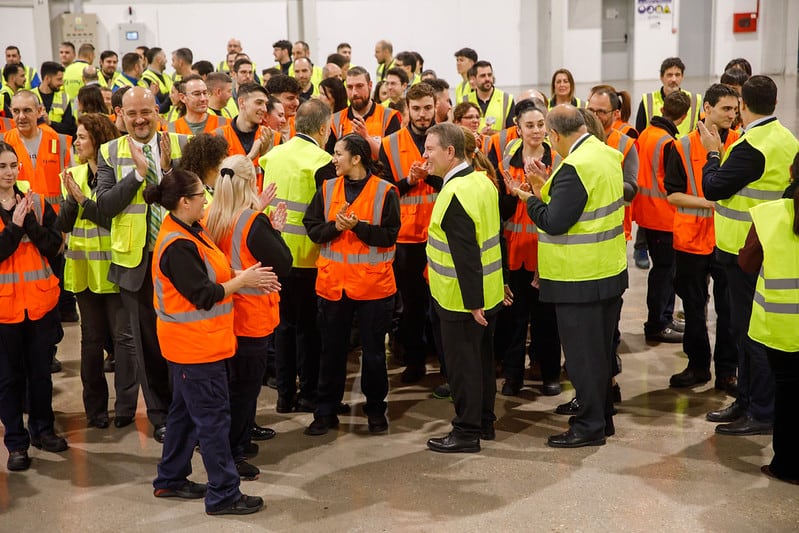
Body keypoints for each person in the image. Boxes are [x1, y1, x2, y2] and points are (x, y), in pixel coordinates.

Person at [147, 168, 273, 515]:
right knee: (214, 421)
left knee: (185, 414)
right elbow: (203, 294)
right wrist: (242, 281)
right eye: (201, 195)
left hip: (196, 344)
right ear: (184, 202)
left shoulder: (191, 229)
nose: (206, 200)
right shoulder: (178, 245)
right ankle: (224, 494)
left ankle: (170, 477)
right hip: (195, 348)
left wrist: (241, 276)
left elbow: (212, 271)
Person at [512, 105, 627, 448]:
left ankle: (589, 426)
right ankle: (602, 418)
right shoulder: (605, 154)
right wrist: (545, 187)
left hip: (579, 277)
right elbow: (582, 205)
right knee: (600, 354)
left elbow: (554, 221)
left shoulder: (575, 167)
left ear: (555, 134)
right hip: (607, 270)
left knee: (582, 359)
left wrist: (530, 198)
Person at [701, 75, 799, 436]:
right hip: (769, 248)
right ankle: (746, 402)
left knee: (750, 334)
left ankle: (759, 411)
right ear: (775, 102)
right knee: (748, 331)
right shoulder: (786, 138)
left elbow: (713, 187)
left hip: (744, 252)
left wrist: (712, 153)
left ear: (743, 105)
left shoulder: (752, 146)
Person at [96, 86, 191, 443]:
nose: (139, 120)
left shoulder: (180, 145)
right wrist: (137, 175)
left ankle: (188, 409)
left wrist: (167, 170)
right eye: (132, 113)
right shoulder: (109, 152)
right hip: (136, 263)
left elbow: (197, 196)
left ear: (157, 113)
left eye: (146, 112)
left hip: (178, 257)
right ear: (120, 114)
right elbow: (105, 206)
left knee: (184, 338)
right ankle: (161, 415)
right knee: (148, 345)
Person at [303, 134, 401, 436]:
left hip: (373, 288)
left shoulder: (385, 191)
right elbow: (312, 229)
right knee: (331, 352)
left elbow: (389, 236)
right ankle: (325, 411)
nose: (333, 159)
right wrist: (336, 227)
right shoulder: (327, 188)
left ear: (356, 158)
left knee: (374, 355)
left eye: (338, 153)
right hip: (334, 285)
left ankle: (376, 411)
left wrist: (358, 228)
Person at [206, 154, 292, 480]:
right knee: (244, 391)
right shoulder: (252, 221)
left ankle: (235, 441)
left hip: (222, 316)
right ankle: (234, 452)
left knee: (230, 388)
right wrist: (276, 231)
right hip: (251, 319)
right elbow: (283, 262)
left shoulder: (211, 215)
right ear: (250, 182)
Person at [424, 122, 504, 453]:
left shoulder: (455, 194)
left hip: (461, 301)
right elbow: (495, 238)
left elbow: (466, 254)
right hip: (489, 292)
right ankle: (484, 422)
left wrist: (473, 302)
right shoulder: (483, 182)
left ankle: (466, 432)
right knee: (482, 363)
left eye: (430, 149)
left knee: (463, 368)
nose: (425, 155)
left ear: (450, 152)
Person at [55, 113, 139, 429]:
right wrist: (71, 199)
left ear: (98, 140)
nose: (76, 142)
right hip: (85, 272)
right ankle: (95, 410)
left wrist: (82, 199)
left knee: (124, 341)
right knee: (90, 342)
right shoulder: (73, 174)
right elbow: (63, 224)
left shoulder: (118, 175)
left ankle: (126, 408)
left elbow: (112, 219)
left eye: (81, 137)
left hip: (116, 271)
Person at [260, 99, 336, 414]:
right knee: (308, 330)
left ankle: (283, 395)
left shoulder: (273, 154)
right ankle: (308, 394)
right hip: (307, 257)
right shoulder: (323, 161)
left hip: (274, 254)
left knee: (283, 328)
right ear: (324, 128)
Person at [665, 84, 740, 392]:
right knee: (694, 308)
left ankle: (727, 371)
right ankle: (697, 367)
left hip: (727, 239)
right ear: (707, 108)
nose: (732, 115)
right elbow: (672, 195)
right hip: (692, 241)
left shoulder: (740, 143)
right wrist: (711, 202)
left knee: (729, 310)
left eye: (735, 109)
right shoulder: (682, 146)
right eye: (726, 108)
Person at [0, 141, 66, 472]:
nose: (9, 172)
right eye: (2, 166)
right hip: (4, 311)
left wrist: (30, 224)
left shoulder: (36, 203)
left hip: (40, 304)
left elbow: (55, 246)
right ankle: (16, 443)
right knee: (8, 379)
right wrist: (14, 227)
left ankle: (43, 429)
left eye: (13, 165)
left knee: (41, 374)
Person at [739, 153, 799, 485]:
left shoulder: (769, 214)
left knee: (787, 396)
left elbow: (747, 263)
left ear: (791, 172)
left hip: (780, 326)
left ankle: (787, 466)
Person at [495, 100, 561, 397]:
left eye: (540, 125)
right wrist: (512, 195)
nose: (536, 130)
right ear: (518, 129)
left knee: (547, 320)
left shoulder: (557, 161)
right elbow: (501, 211)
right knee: (513, 320)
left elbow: (560, 208)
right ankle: (513, 376)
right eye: (529, 125)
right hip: (514, 254)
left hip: (545, 252)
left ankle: (549, 374)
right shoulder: (507, 163)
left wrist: (539, 188)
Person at [379, 83, 440, 383]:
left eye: (427, 107)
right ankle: (415, 361)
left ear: (436, 107)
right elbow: (384, 192)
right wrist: (409, 181)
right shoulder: (389, 144)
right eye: (416, 108)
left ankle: (443, 359)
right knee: (413, 306)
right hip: (406, 238)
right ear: (407, 110)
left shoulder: (448, 138)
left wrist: (431, 178)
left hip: (441, 235)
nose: (422, 114)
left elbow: (458, 181)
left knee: (441, 304)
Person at [2, 90, 75, 331]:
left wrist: (65, 230)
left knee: (52, 288)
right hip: (15, 229)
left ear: (40, 111)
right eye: (16, 111)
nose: (21, 116)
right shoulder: (4, 142)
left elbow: (70, 187)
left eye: (27, 110)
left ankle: (50, 338)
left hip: (52, 230)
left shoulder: (59, 142)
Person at [632, 91, 690, 344]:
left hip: (648, 214)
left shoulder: (647, 133)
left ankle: (664, 318)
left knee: (662, 272)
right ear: (684, 117)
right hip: (663, 217)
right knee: (665, 274)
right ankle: (658, 324)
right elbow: (674, 182)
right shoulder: (668, 143)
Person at [326, 67, 401, 158]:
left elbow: (393, 158)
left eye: (359, 86)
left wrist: (366, 137)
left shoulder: (389, 117)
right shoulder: (335, 120)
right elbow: (329, 158)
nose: (354, 93)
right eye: (350, 87)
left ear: (370, 85)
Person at [635, 57, 702, 138]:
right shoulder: (648, 101)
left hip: (685, 146)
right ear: (661, 77)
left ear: (682, 77)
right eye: (669, 75)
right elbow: (639, 134)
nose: (674, 79)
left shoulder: (694, 101)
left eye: (677, 75)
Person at [461, 60, 515, 133]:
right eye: (482, 76)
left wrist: (494, 134)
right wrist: (480, 135)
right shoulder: (465, 101)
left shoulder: (506, 99)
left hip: (499, 141)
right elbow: (462, 131)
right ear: (474, 79)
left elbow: (512, 131)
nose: (487, 79)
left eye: (489, 75)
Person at [32, 62, 76, 137]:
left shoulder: (64, 98)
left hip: (57, 141)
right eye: (59, 79)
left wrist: (50, 123)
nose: (62, 83)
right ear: (47, 79)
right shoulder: (30, 96)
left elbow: (69, 128)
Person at [179, 133, 229, 197]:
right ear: (208, 164)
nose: (226, 163)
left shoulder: (224, 187)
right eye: (221, 160)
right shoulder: (194, 194)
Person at [141, 48, 173, 114]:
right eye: (164, 57)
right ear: (159, 60)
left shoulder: (166, 76)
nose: (166, 61)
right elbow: (158, 100)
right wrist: (171, 95)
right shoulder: (146, 78)